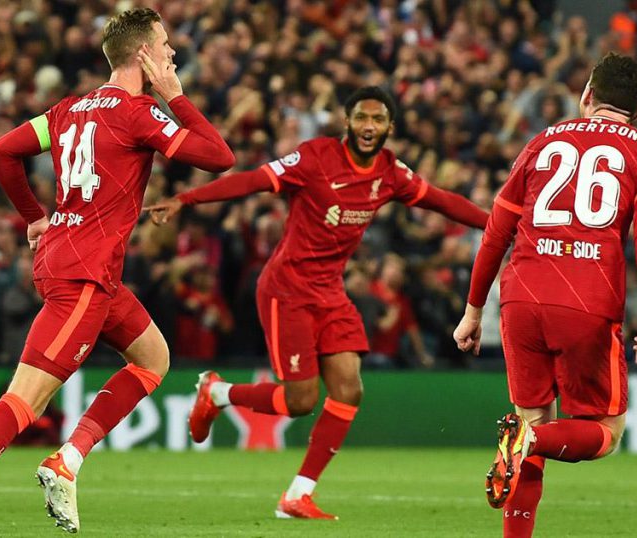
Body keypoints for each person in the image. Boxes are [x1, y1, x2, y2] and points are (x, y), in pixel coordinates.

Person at [0, 8, 235, 536]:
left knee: (152, 359)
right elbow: (219, 156)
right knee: (25, 400)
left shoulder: (69, 109)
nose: (172, 53)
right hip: (84, 276)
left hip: (74, 262)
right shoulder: (139, 112)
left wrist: (35, 217)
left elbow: (0, 151)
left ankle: (67, 460)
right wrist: (176, 96)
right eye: (165, 44)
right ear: (144, 54)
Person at [148, 86, 488, 519]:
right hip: (287, 289)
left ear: (390, 127)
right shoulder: (314, 158)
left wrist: (499, 225)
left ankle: (298, 495)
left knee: (349, 388)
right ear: (347, 122)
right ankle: (216, 393)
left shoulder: (390, 172)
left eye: (378, 119)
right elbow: (253, 180)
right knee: (301, 400)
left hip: (330, 292)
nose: (369, 126)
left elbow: (444, 202)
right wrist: (187, 198)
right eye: (361, 117)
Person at [453, 53, 637, 538]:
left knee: (531, 423)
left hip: (521, 297)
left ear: (587, 94)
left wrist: (473, 310)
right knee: (604, 433)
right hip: (587, 300)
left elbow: (497, 231)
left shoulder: (542, 140)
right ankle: (529, 440)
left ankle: (525, 447)